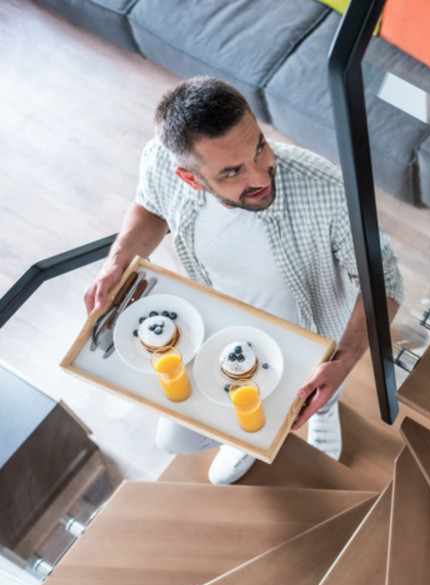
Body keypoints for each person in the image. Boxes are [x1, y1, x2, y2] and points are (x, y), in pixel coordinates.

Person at [85, 77, 403, 484]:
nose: (261, 176)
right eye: (233, 171)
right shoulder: (161, 162)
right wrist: (118, 260)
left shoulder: (326, 190)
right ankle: (243, 432)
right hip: (221, 328)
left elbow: (385, 281)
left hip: (311, 339)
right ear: (190, 177)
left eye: (259, 147)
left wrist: (343, 361)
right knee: (176, 440)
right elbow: (149, 207)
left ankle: (326, 408)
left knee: (318, 390)